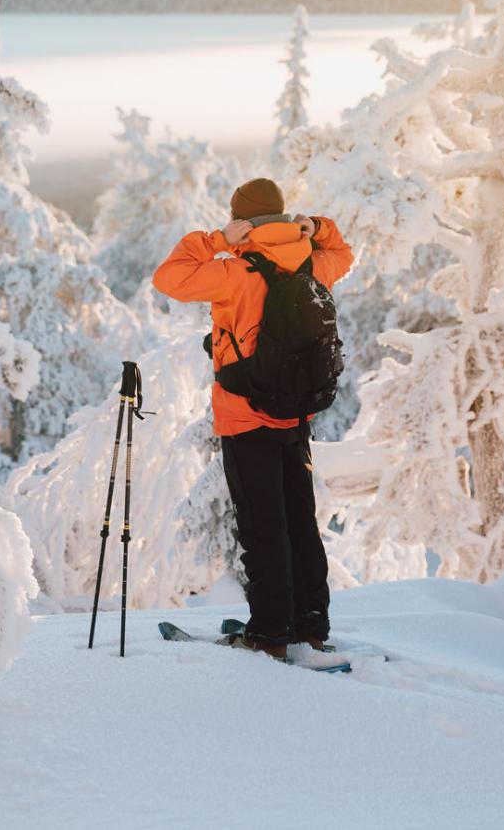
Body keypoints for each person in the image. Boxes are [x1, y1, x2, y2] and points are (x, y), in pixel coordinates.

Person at [151, 177, 354, 659]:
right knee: (300, 522)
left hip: (245, 417)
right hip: (296, 415)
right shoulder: (311, 263)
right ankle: (310, 625)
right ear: (282, 216)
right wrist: (317, 226)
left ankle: (268, 634)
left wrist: (220, 239)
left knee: (263, 526)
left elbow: (169, 277)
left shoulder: (233, 272)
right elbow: (343, 254)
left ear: (244, 219)